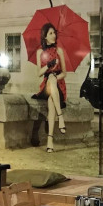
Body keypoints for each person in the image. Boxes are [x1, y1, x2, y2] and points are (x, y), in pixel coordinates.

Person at [33, 23, 67, 153]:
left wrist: (55, 76)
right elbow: (39, 73)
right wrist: (48, 66)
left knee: (51, 101)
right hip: (46, 84)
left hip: (59, 84)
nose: (54, 35)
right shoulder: (40, 52)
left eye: (54, 33)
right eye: (50, 33)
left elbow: (64, 73)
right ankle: (61, 117)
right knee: (50, 78)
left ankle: (50, 141)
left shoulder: (59, 51)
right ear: (45, 36)